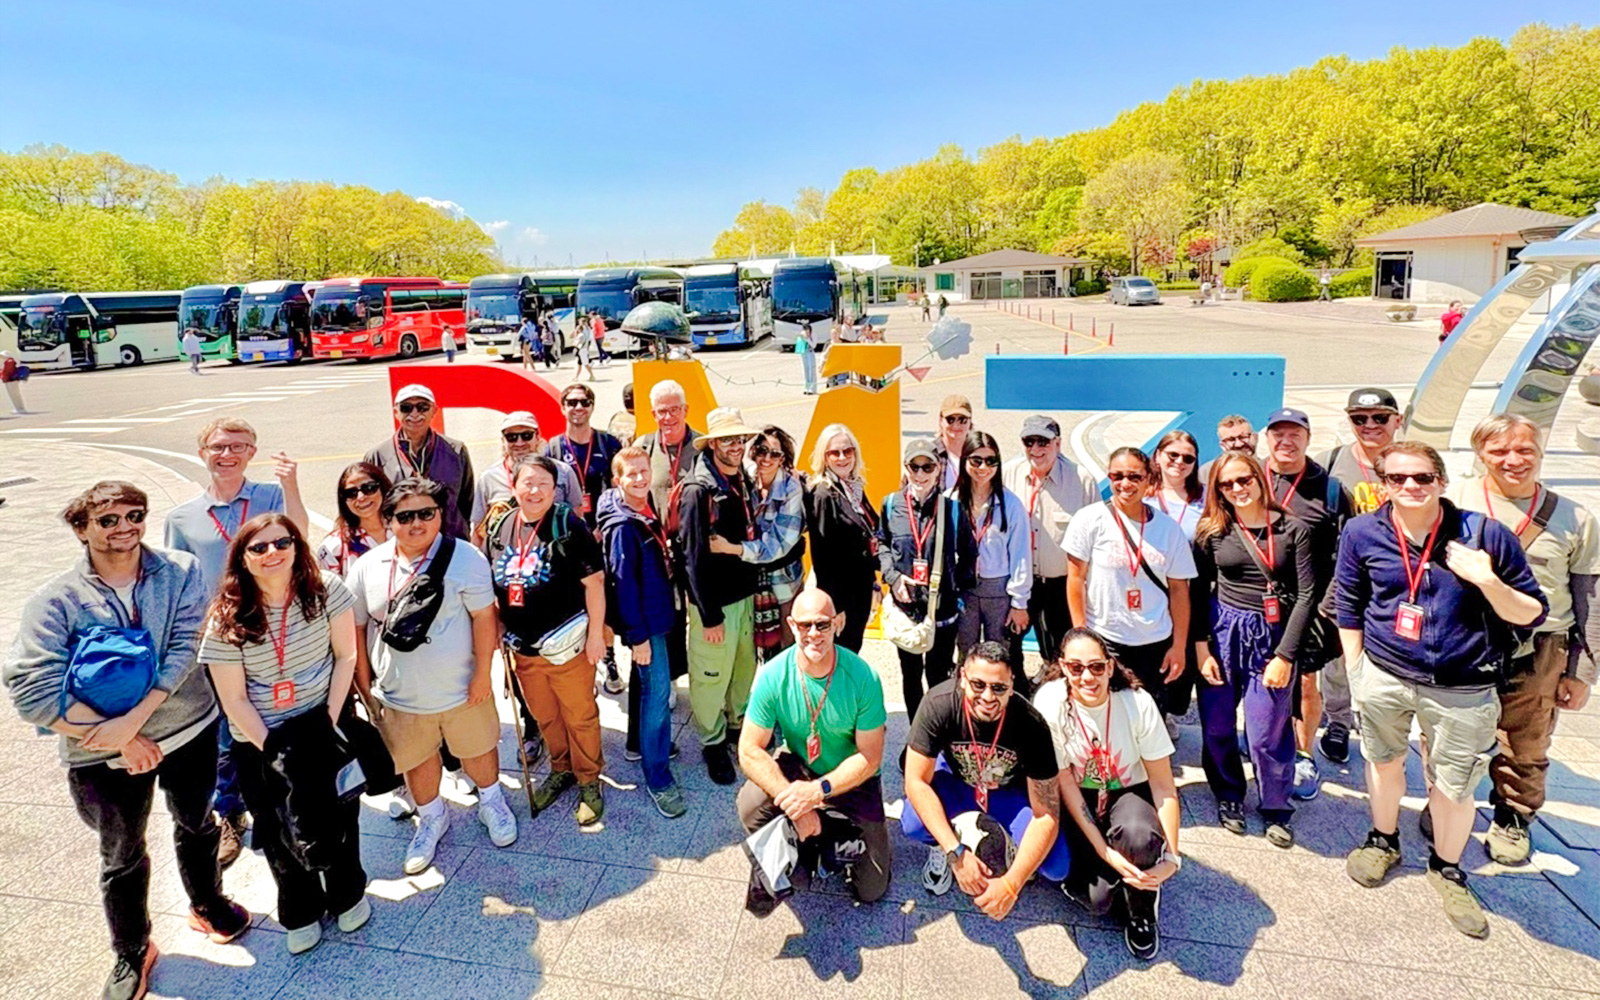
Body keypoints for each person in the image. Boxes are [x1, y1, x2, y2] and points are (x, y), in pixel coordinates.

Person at [5, 482, 251, 1000]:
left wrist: (134, 721)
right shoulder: (55, 601)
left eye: (134, 515)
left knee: (196, 821)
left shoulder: (181, 571)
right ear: (82, 529)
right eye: (108, 520)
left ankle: (206, 901)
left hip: (189, 728)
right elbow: (30, 690)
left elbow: (188, 646)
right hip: (100, 752)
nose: (125, 528)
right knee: (121, 852)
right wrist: (121, 740)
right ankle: (133, 949)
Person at [1335, 442, 1546, 939]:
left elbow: (1530, 612)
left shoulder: (1484, 535)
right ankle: (1383, 838)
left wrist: (1486, 579)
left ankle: (1447, 868)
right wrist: (1357, 671)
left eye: (1422, 478)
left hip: (1462, 684)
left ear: (1442, 482)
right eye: (1397, 478)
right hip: (1385, 673)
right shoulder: (1362, 531)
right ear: (1382, 484)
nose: (1410, 487)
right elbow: (1349, 601)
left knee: (1453, 784)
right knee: (1383, 761)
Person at [199, 514, 368, 954]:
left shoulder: (327, 590)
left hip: (322, 724)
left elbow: (346, 656)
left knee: (342, 814)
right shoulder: (226, 615)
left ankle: (348, 894)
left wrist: (329, 724)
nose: (272, 553)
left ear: (297, 546)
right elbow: (233, 699)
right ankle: (300, 909)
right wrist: (276, 750)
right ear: (243, 558)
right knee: (278, 828)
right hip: (261, 741)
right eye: (259, 548)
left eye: (282, 543)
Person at [348, 477, 514, 875]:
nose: (416, 523)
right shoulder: (368, 566)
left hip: (461, 687)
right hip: (400, 693)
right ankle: (432, 817)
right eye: (405, 516)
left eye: (427, 513)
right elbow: (355, 626)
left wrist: (481, 675)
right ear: (388, 520)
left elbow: (483, 618)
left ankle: (492, 802)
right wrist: (364, 681)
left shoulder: (467, 558)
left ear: (441, 515)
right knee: (416, 758)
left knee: (477, 748)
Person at [1454, 413, 1600, 864]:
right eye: (1499, 450)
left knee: (1527, 739)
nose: (1513, 460)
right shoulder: (1455, 500)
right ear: (1481, 455)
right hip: (1466, 636)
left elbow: (1590, 599)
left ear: (1539, 453)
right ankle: (1451, 805)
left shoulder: (1575, 517)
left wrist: (1582, 672)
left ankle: (1513, 816)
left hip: (1540, 646)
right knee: (1452, 730)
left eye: (1525, 450)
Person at [165, 416, 307, 867]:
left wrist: (293, 486)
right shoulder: (183, 517)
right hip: (223, 640)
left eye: (239, 446)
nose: (227, 455)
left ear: (252, 452)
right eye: (218, 447)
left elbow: (299, 538)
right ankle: (231, 812)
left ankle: (293, 798)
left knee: (282, 713)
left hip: (275, 632)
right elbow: (178, 583)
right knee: (228, 731)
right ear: (203, 452)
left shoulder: (269, 496)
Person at [736, 588, 891, 914]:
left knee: (872, 889)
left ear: (838, 623)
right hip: (800, 766)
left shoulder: (864, 678)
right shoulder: (773, 675)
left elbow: (870, 757)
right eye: (805, 625)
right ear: (791, 625)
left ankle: (828, 833)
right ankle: (808, 837)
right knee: (750, 804)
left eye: (822, 624)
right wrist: (798, 805)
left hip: (850, 777)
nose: (813, 634)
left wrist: (817, 792)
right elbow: (749, 749)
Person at [1191, 452, 1315, 847]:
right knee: (1217, 725)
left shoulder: (1293, 529)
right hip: (1223, 631)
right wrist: (1201, 648)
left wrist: (1285, 655)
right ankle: (1228, 793)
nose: (1237, 490)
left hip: (1272, 636)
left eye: (1244, 480)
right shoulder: (1212, 532)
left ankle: (1276, 804)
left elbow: (1308, 594)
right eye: (1227, 485)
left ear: (1260, 478)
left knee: (1265, 732)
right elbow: (1197, 592)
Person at [1035, 628, 1181, 960]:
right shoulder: (1050, 701)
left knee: (1139, 836)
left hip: (1128, 791)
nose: (1087, 676)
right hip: (1081, 795)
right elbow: (1065, 781)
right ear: (1063, 667)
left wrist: (1172, 858)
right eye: (1076, 668)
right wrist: (1104, 852)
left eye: (1096, 667)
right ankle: (1118, 870)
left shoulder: (1138, 704)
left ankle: (1142, 909)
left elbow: (1163, 787)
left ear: (1110, 667)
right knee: (1097, 900)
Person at [483, 456, 611, 828]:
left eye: (543, 483)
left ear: (555, 489)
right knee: (545, 714)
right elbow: (494, 587)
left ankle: (589, 779)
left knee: (580, 715)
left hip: (567, 646)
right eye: (528, 482)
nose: (534, 490)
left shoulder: (567, 524)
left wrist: (595, 636)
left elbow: (595, 584)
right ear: (514, 486)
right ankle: (561, 767)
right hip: (523, 648)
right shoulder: (502, 525)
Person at [903, 642, 1069, 919]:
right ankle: (940, 847)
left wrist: (1010, 884)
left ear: (1012, 684)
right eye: (978, 684)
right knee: (912, 822)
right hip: (958, 782)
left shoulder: (1031, 724)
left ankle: (1010, 851)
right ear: (962, 678)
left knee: (1056, 866)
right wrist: (954, 852)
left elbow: (1046, 813)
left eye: (999, 687)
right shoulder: (938, 703)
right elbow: (915, 781)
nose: (988, 696)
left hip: (1008, 794)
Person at [1064, 447, 1196, 724]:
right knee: (1104, 718)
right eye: (1117, 476)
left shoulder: (1168, 529)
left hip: (1155, 641)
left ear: (1149, 479)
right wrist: (1081, 636)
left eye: (1134, 477)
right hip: (1106, 638)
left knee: (1148, 721)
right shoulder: (1089, 520)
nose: (1125, 484)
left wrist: (1179, 646)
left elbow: (1179, 590)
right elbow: (1075, 580)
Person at [1261, 408, 1356, 787]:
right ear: (1266, 438)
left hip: (1310, 605)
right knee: (1259, 677)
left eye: (1294, 434)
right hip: (1256, 600)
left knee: (1304, 682)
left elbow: (1349, 554)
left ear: (1308, 437)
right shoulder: (1249, 479)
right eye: (1277, 434)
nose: (1286, 441)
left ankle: (1303, 754)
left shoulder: (1330, 489)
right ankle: (1264, 738)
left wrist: (1330, 608)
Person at [598, 447, 687, 818]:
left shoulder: (640, 505)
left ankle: (637, 745)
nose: (639, 478)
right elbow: (623, 585)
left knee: (645, 685)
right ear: (618, 480)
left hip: (657, 614)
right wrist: (637, 637)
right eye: (631, 474)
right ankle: (659, 778)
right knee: (657, 695)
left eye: (643, 470)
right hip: (646, 624)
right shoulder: (622, 525)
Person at [677, 407, 762, 785]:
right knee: (711, 676)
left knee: (743, 669)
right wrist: (709, 614)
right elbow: (691, 557)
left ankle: (734, 726)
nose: (736, 446)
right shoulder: (698, 490)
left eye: (740, 439)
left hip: (742, 596)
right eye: (728, 439)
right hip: (715, 604)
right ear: (712, 443)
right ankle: (712, 741)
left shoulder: (738, 477)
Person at [879, 439, 977, 722]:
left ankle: (936, 737)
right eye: (914, 467)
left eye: (928, 467)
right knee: (910, 676)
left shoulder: (952, 509)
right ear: (906, 469)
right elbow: (881, 543)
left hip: (941, 613)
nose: (920, 474)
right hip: (906, 611)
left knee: (938, 678)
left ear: (938, 470)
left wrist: (954, 592)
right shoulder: (890, 505)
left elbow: (969, 554)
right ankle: (915, 737)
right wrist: (893, 577)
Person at [1005, 415, 1100, 674]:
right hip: (1019, 583)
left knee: (1063, 651)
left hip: (1060, 585)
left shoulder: (1082, 481)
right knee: (1010, 648)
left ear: (1057, 443)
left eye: (1043, 442)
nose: (1036, 449)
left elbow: (1095, 539)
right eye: (1029, 441)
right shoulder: (1007, 475)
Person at [710, 426, 806, 660]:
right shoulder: (746, 479)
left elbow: (779, 544)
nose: (767, 459)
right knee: (754, 647)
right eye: (762, 451)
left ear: (784, 459)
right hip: (751, 578)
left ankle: (787, 694)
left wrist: (732, 549)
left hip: (783, 581)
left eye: (775, 454)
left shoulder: (791, 489)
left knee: (787, 646)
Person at [954, 432, 1032, 678]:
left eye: (991, 461)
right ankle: (963, 707)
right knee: (965, 654)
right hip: (963, 590)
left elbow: (1021, 556)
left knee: (999, 655)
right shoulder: (950, 500)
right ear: (965, 460)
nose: (983, 467)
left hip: (998, 591)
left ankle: (999, 709)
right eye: (976, 460)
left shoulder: (1011, 504)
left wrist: (1019, 602)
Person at [805, 424, 882, 654]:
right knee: (838, 660)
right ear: (824, 457)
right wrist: (834, 608)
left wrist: (873, 583)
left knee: (850, 656)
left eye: (847, 451)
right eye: (834, 453)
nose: (842, 458)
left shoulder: (853, 486)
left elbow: (866, 538)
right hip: (841, 601)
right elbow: (822, 557)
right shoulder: (823, 494)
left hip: (860, 592)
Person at [365, 384, 475, 541]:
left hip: (449, 542)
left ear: (434, 411)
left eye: (422, 407)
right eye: (406, 408)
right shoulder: (378, 456)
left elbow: (466, 501)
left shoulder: (456, 451)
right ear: (396, 412)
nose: (415, 414)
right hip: (401, 546)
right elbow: (373, 509)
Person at [471, 410, 583, 533]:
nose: (519, 443)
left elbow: (577, 514)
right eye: (511, 437)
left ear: (537, 437)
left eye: (526, 435)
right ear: (503, 441)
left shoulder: (563, 471)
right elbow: (478, 529)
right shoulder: (489, 478)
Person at [545, 383, 623, 530]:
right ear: (563, 408)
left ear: (592, 407)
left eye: (585, 402)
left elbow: (621, 489)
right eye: (572, 403)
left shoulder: (609, 444)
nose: (579, 407)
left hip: (604, 527)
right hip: (567, 531)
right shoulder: (553, 449)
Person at [1317, 386, 1400, 515]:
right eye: (1359, 419)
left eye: (1380, 418)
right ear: (1350, 422)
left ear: (1398, 421)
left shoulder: (1416, 464)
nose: (1370, 425)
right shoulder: (1328, 462)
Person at [317, 462, 393, 578]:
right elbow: (329, 593)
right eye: (351, 493)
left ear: (382, 488)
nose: (361, 497)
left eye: (369, 488)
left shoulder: (409, 530)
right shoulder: (334, 547)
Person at [1150, 430, 1205, 542]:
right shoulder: (1141, 498)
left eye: (1188, 459)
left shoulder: (1208, 496)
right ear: (1157, 456)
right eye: (1173, 455)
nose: (1180, 461)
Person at [932, 394, 972, 492]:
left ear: (970, 421)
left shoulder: (978, 453)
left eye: (962, 419)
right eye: (950, 419)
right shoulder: (930, 453)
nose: (956, 425)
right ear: (941, 421)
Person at [1, 348, 26, 414]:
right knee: (15, 394)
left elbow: (7, 372)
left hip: (11, 380)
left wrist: (2, 375)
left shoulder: (9, 362)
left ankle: (19, 408)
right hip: (11, 380)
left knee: (14, 394)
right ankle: (19, 407)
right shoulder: (9, 361)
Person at [796, 320, 818, 395]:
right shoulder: (802, 334)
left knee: (811, 370)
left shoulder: (813, 335)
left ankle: (812, 388)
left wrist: (807, 339)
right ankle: (806, 387)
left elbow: (814, 345)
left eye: (808, 330)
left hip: (810, 352)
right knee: (806, 370)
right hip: (804, 353)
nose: (807, 332)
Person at [574, 317, 597, 381]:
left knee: (585, 364)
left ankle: (592, 376)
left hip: (582, 349)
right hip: (585, 348)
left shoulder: (582, 331)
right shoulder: (588, 329)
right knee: (579, 364)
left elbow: (578, 341)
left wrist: (576, 333)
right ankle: (576, 377)